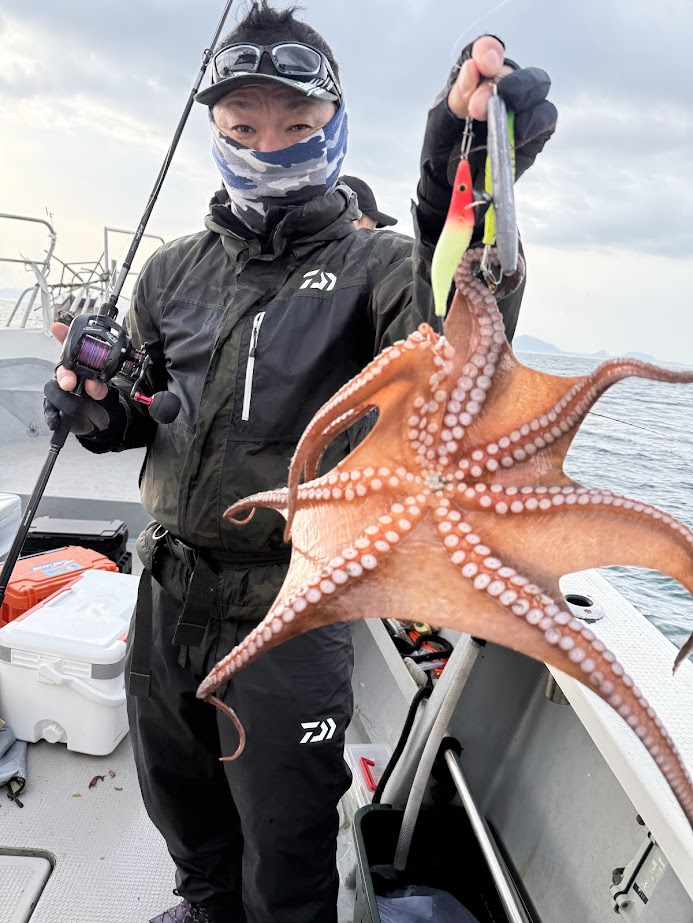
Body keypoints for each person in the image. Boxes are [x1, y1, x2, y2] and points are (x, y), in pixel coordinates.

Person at [44, 5, 557, 922]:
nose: (268, 146)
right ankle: (205, 908)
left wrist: (456, 169)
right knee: (185, 812)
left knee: (284, 848)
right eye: (242, 127)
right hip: (165, 598)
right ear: (213, 131)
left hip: (290, 609)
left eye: (296, 125)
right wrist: (95, 410)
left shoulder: (380, 267)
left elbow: (453, 326)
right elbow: (147, 412)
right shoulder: (171, 272)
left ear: (337, 122)